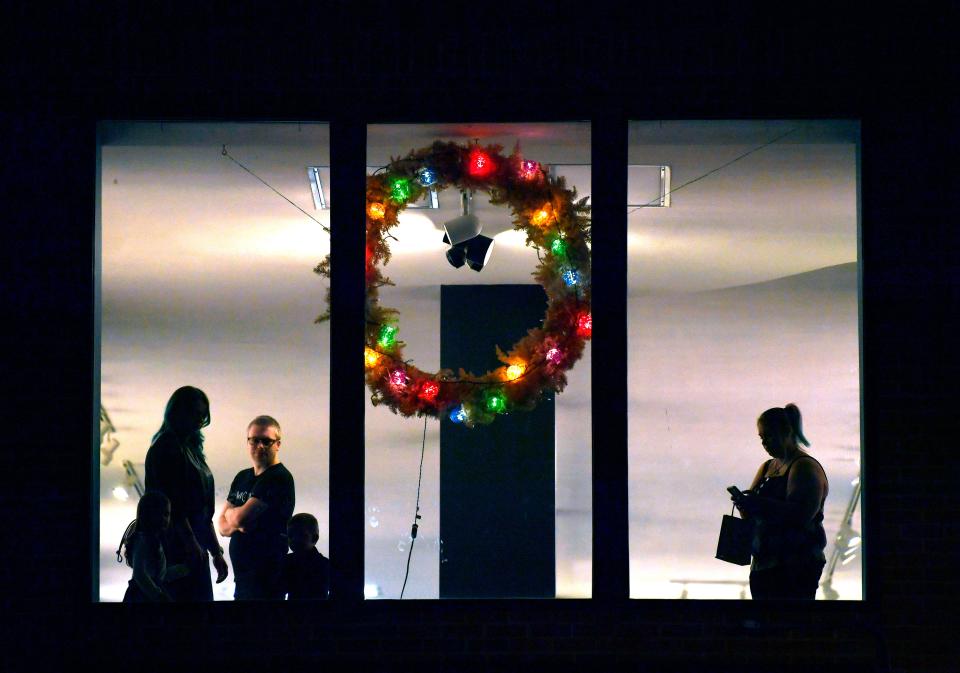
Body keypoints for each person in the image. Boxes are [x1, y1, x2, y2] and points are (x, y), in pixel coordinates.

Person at [732, 403, 829, 600]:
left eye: (768, 436)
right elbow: (755, 513)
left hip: (795, 565)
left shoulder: (804, 467)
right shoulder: (768, 466)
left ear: (786, 432)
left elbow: (801, 515)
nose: (764, 442)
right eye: (761, 437)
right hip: (765, 564)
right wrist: (746, 505)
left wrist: (758, 504)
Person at [144, 386, 229, 600]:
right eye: (195, 413)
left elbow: (201, 509)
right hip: (178, 543)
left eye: (202, 415)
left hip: (189, 541)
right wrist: (196, 544)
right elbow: (173, 504)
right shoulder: (167, 447)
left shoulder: (188, 449)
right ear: (178, 412)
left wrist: (215, 551)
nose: (199, 420)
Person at [218, 415, 295, 600]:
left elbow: (239, 520)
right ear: (248, 442)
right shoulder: (242, 477)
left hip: (266, 580)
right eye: (255, 440)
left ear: (278, 444)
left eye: (267, 441)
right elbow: (222, 526)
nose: (260, 446)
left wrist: (233, 516)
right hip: (242, 580)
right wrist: (235, 519)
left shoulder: (279, 478)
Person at [119, 491, 189, 602]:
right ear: (147, 515)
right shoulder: (142, 540)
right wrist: (158, 596)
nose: (164, 519)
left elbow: (161, 574)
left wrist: (185, 569)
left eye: (166, 514)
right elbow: (140, 574)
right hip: (141, 597)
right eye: (158, 514)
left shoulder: (155, 542)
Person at [282, 513, 330, 600]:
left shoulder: (286, 561)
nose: (294, 539)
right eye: (290, 536)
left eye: (301, 535)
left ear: (314, 538)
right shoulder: (325, 564)